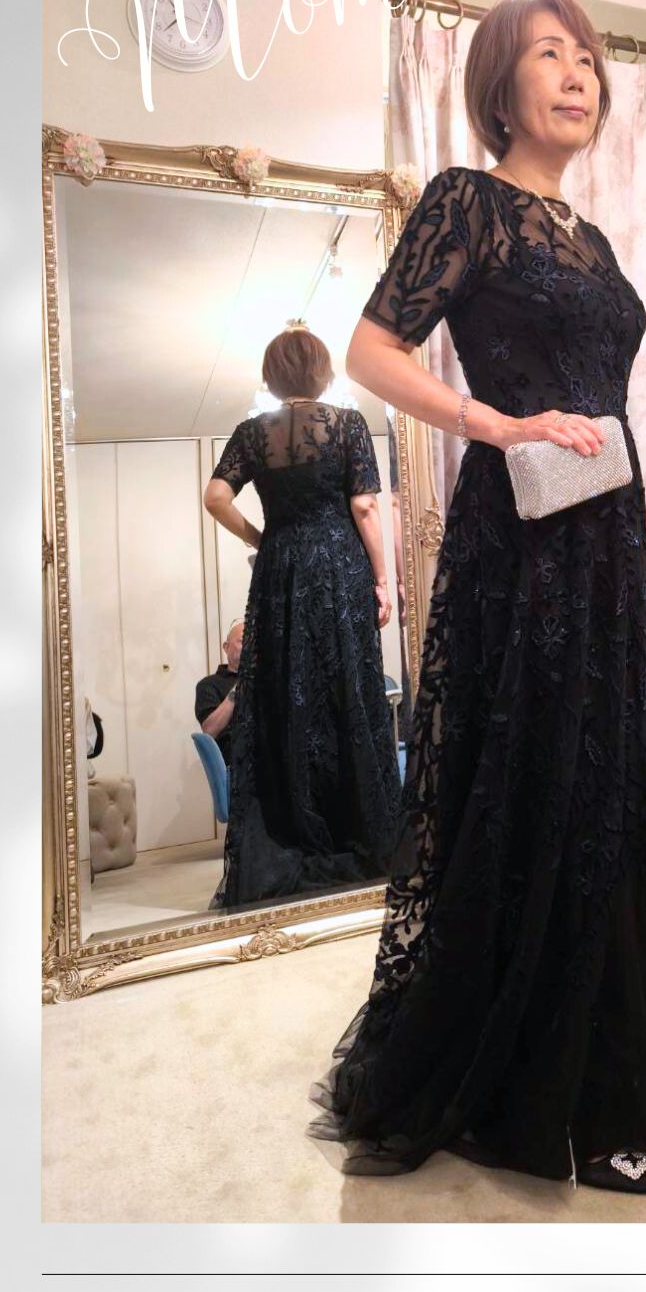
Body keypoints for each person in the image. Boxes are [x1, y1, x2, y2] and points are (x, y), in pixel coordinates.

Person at [309, 0, 646, 1197]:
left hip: (608, 543)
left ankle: (614, 1046)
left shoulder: (591, 239)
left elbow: (609, 406)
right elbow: (373, 351)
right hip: (523, 542)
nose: (579, 72)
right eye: (551, 54)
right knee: (538, 779)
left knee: (610, 780)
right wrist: (491, 423)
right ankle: (551, 1085)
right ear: (500, 85)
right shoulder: (467, 201)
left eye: (588, 57)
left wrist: (645, 545)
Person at [202, 325, 403, 906]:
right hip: (339, 567)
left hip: (281, 570)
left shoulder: (252, 432)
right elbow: (365, 505)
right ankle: (356, 832)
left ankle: (290, 832)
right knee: (347, 688)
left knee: (286, 690)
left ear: (270, 379)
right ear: (323, 373)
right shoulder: (348, 424)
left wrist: (260, 537)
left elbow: (215, 497)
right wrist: (382, 578)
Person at [194, 619, 244, 768]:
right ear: (226, 647)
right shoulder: (209, 685)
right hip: (238, 765)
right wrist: (239, 687)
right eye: (242, 641)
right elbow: (210, 730)